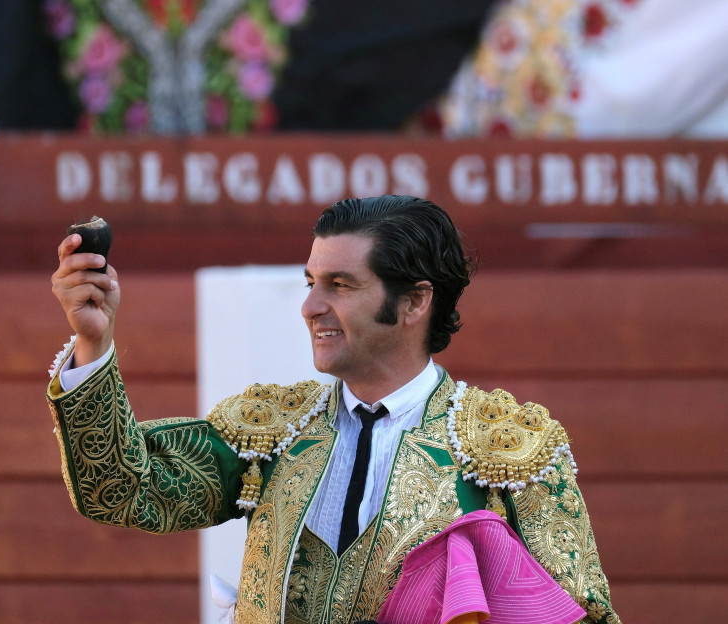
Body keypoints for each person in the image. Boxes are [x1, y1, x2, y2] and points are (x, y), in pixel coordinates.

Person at [48, 195, 619, 624]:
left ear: (415, 301)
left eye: (340, 285)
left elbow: (582, 614)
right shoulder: (270, 430)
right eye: (311, 281)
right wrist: (95, 343)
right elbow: (119, 488)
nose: (310, 306)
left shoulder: (508, 449)